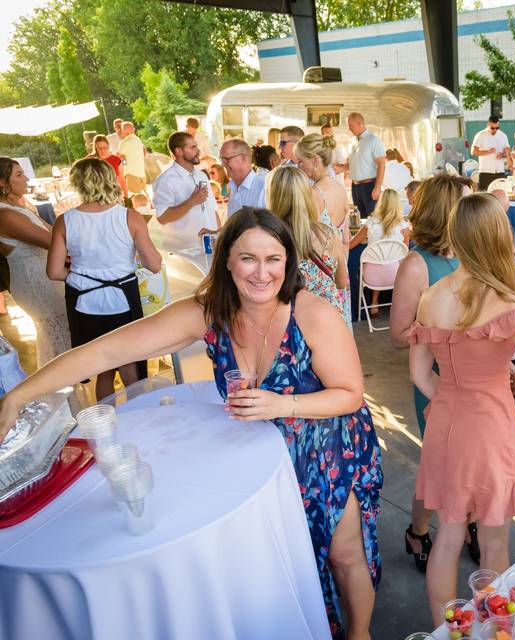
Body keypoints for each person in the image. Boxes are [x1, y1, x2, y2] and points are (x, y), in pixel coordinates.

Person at [0, 208, 382, 640]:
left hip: (323, 445)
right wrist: (19, 395)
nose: (261, 273)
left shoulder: (311, 313)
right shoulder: (207, 314)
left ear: (288, 262)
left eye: (273, 259)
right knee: (284, 551)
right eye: (248, 258)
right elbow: (106, 352)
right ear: (226, 262)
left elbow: (350, 394)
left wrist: (281, 403)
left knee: (342, 553)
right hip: (256, 450)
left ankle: (360, 633)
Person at [409, 192, 515, 625]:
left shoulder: (430, 296)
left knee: (446, 537)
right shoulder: (506, 302)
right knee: (494, 544)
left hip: (444, 421)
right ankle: (492, 630)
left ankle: (443, 632)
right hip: (488, 430)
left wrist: (457, 395)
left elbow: (420, 376)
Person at [389, 173, 473, 572]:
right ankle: (419, 530)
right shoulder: (416, 264)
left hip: (472, 375)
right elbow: (398, 334)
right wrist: (448, 332)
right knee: (440, 463)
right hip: (434, 376)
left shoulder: (469, 253)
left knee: (469, 458)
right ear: (448, 213)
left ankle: (470, 521)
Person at [47, 158, 162, 399]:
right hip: (122, 299)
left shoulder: (65, 220)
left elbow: (55, 272)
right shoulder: (130, 217)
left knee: (103, 368)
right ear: (110, 180)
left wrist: (81, 277)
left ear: (78, 184)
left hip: (84, 303)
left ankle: (106, 424)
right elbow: (153, 265)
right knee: (129, 363)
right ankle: (139, 420)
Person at [0, 157, 70, 364]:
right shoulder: (5, 216)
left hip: (47, 278)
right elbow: (53, 242)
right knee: (57, 339)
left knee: (64, 336)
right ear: (2, 183)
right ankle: (60, 393)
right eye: (19, 175)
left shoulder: (18, 209)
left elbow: (56, 232)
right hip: (34, 283)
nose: (27, 179)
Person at [266, 165, 349, 321]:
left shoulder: (270, 239)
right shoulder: (329, 233)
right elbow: (341, 281)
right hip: (331, 321)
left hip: (293, 324)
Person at [295, 134, 352, 321]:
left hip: (320, 278)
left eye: (301, 162)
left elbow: (309, 240)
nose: (299, 167)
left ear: (315, 160)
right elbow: (345, 238)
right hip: (339, 270)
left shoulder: (313, 194)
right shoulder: (341, 189)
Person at [350, 188, 410, 317]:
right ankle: (396, 303)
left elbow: (351, 245)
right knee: (390, 262)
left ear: (381, 203)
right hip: (396, 276)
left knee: (374, 263)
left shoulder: (371, 223)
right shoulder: (404, 227)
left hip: (372, 277)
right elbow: (404, 256)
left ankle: (374, 303)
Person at [152, 132, 220, 238]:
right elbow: (162, 218)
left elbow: (212, 210)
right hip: (186, 249)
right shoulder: (165, 181)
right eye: (193, 147)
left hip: (211, 246)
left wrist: (220, 236)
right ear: (179, 151)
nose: (199, 151)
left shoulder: (202, 176)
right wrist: (192, 201)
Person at [346, 112, 386, 217]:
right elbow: (354, 164)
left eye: (351, 125)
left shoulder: (373, 140)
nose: (349, 128)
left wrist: (377, 187)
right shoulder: (352, 141)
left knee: (373, 218)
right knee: (360, 218)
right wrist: (340, 168)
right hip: (355, 187)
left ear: (359, 123)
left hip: (369, 186)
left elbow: (382, 164)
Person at [220, 139, 267, 217]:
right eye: (222, 159)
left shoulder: (264, 187)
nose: (222, 165)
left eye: (226, 159)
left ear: (243, 158)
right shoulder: (233, 187)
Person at [471, 116, 510, 191]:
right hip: (485, 171)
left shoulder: (503, 135)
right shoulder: (481, 135)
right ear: (488, 124)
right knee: (484, 196)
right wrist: (488, 152)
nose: (495, 130)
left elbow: (507, 150)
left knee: (501, 195)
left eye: (497, 128)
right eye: (492, 128)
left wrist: (502, 154)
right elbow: (473, 151)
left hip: (500, 171)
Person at [117, 121, 146, 195]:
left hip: (131, 175)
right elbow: (144, 151)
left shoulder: (125, 142)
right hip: (142, 173)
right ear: (133, 129)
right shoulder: (137, 139)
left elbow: (117, 157)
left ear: (123, 131)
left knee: (134, 199)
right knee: (143, 198)